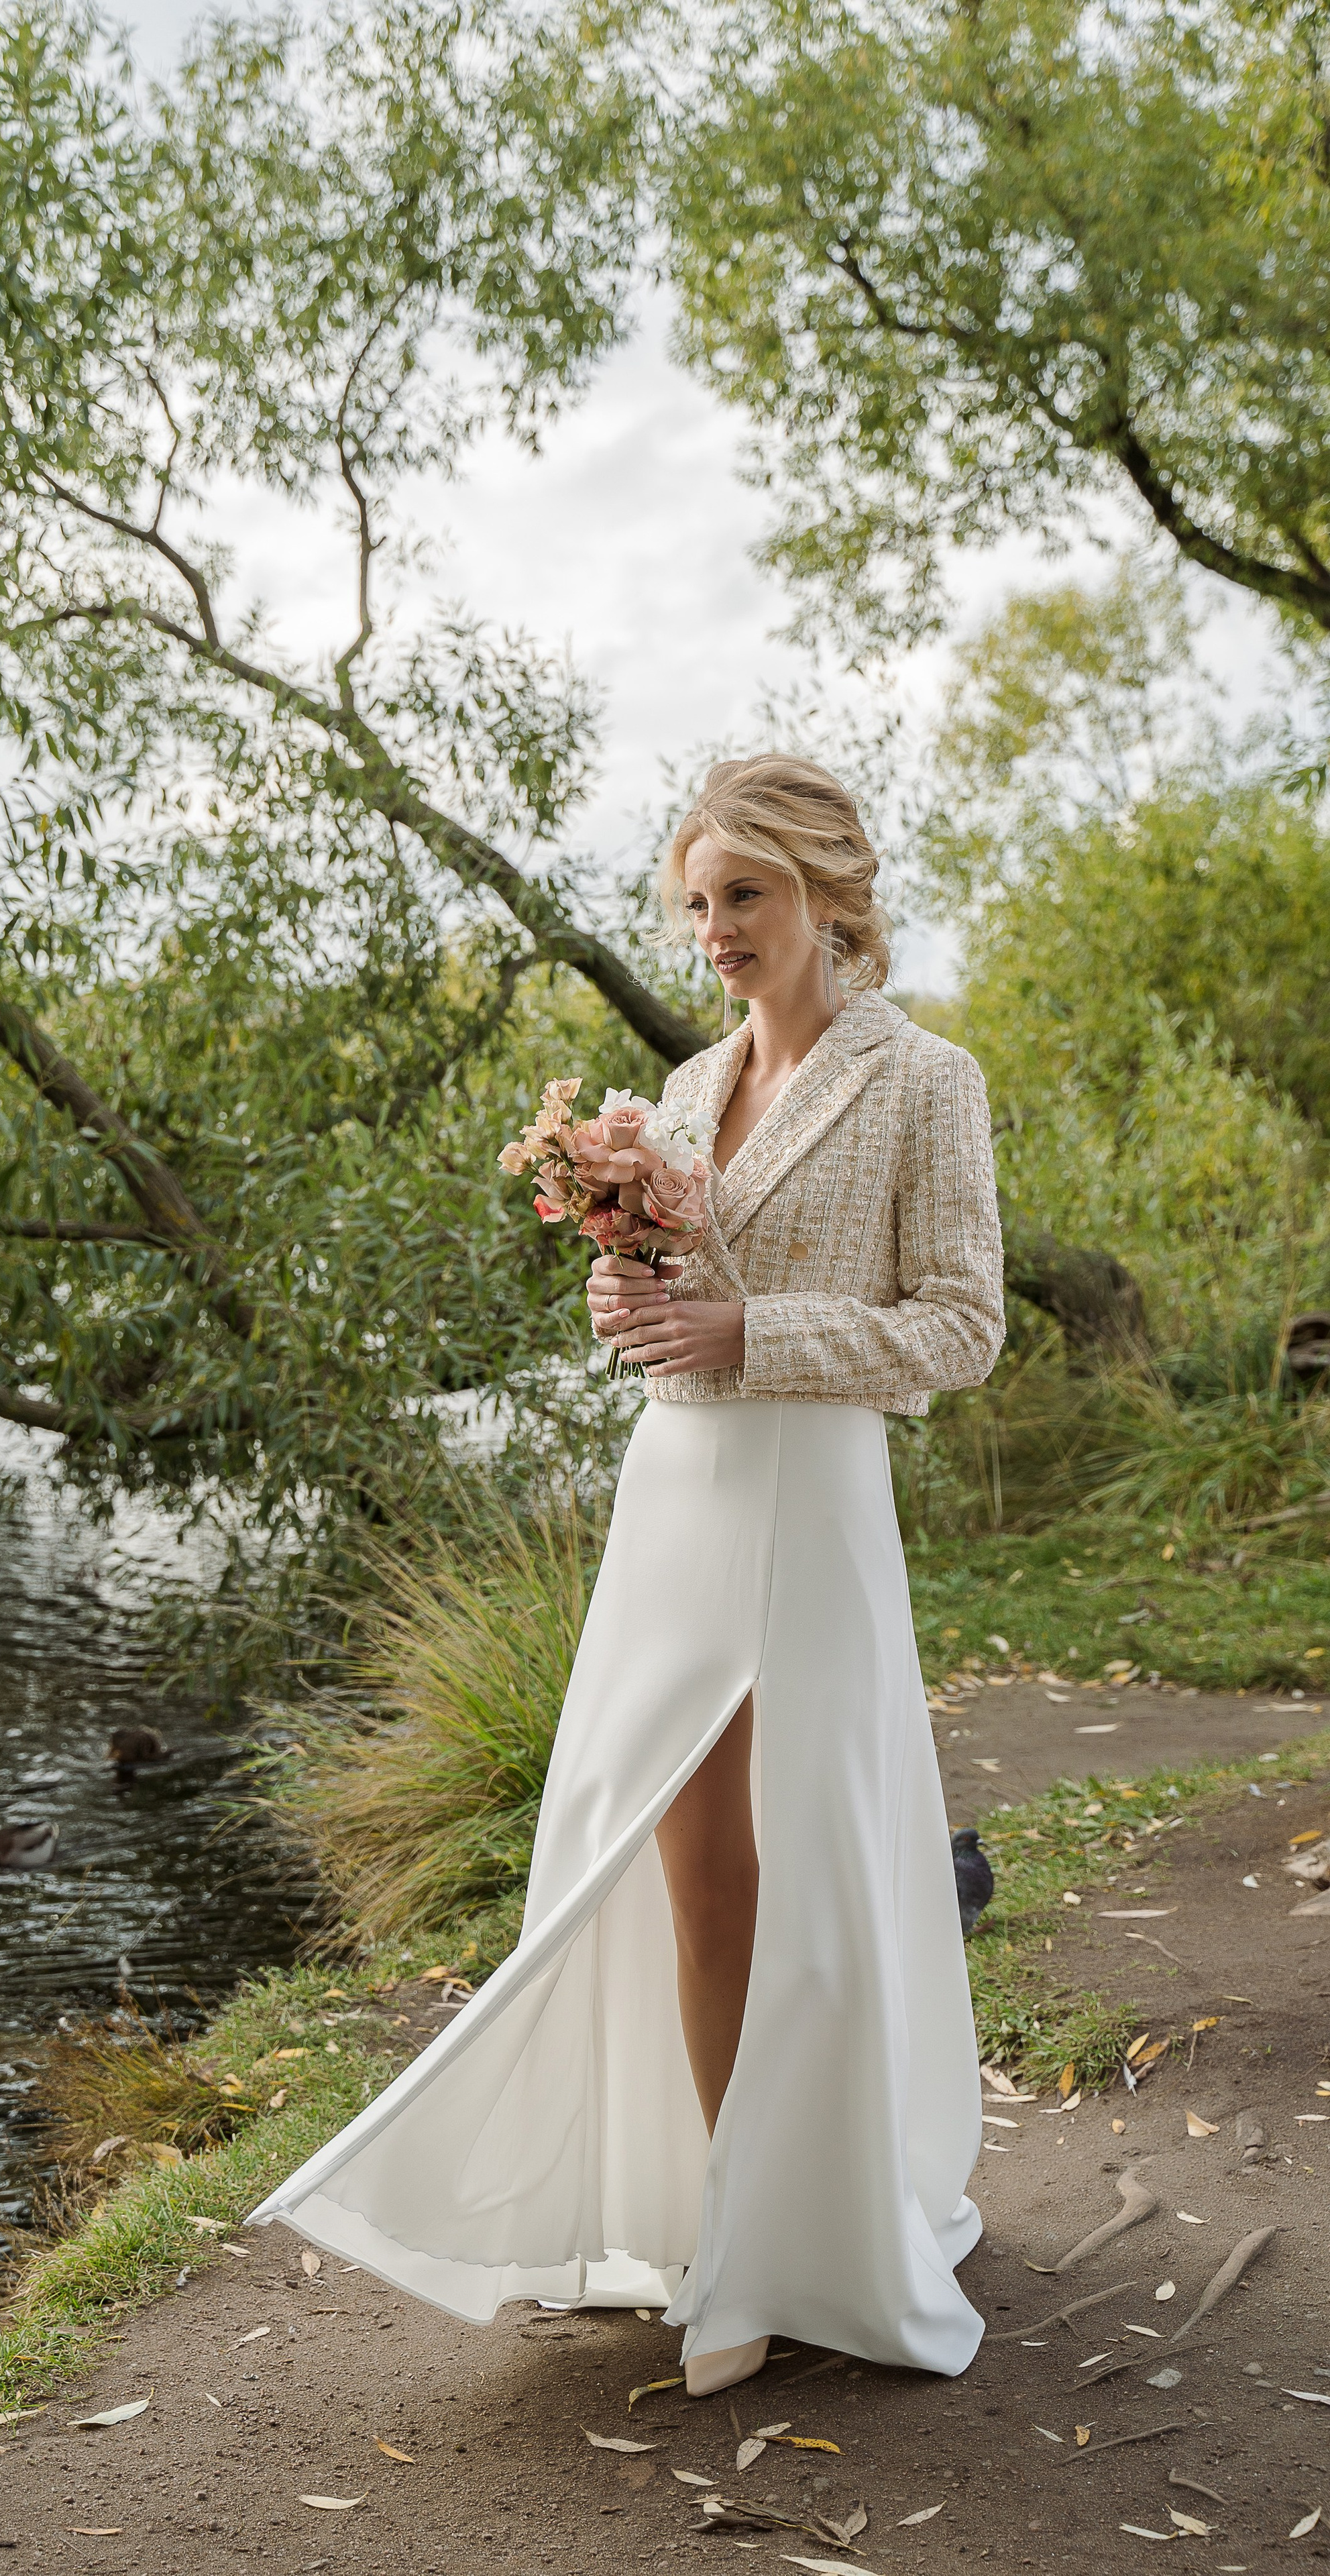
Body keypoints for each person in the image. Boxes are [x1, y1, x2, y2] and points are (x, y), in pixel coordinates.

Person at [250, 754, 1005, 2390]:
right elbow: (668, 1303)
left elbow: (960, 1328)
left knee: (811, 1868)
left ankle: (783, 2253)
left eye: (743, 894)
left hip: (809, 1493)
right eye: (695, 901)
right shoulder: (678, 1089)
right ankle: (715, 2213)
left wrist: (751, 1333)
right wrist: (626, 1306)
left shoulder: (922, 1080)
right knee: (676, 1860)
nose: (714, 928)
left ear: (825, 893)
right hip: (675, 1495)